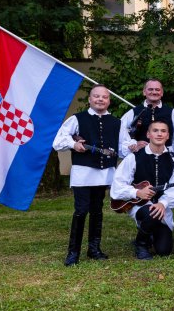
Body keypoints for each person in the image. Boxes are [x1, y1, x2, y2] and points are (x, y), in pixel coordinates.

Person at [52, 84, 127, 266]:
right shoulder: (77, 119)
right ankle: (73, 253)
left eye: (104, 97)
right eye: (96, 96)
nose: (100, 99)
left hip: (104, 173)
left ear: (109, 101)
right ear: (90, 99)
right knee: (81, 210)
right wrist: (73, 143)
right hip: (83, 173)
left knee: (97, 210)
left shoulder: (117, 123)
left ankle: (94, 249)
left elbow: (123, 147)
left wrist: (134, 147)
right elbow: (58, 141)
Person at [110, 120, 174, 259]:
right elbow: (117, 185)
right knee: (151, 213)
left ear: (168, 136)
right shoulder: (134, 157)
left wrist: (163, 203)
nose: (159, 134)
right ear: (148, 134)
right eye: (155, 130)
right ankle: (141, 244)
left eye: (163, 131)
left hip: (162, 208)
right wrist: (137, 192)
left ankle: (149, 233)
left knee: (164, 251)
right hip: (140, 205)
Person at [120, 79, 174, 156]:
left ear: (162, 93)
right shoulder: (134, 112)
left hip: (165, 157)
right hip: (140, 158)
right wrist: (133, 144)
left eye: (157, 90)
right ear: (144, 92)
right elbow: (120, 133)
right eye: (150, 89)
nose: (154, 92)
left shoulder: (171, 113)